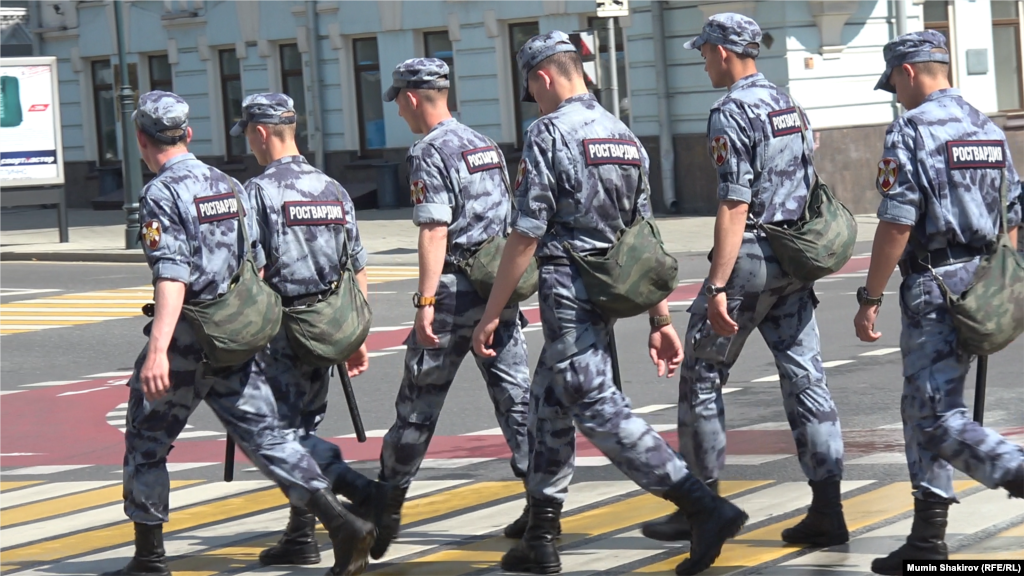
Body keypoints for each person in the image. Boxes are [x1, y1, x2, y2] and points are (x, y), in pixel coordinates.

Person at [470, 31, 747, 576]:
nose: (535, 98)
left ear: (543, 77)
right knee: (549, 406)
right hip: (610, 288)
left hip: (569, 289)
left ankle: (702, 505)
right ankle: (541, 535)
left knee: (595, 405)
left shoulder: (548, 133)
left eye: (532, 87)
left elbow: (525, 235)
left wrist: (491, 312)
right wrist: (659, 316)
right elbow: (640, 237)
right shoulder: (624, 135)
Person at [103, 91, 374, 576]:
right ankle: (342, 523)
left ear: (142, 140)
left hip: (191, 335)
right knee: (269, 437)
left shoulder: (161, 193)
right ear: (187, 134)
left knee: (146, 440)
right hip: (236, 337)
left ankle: (149, 559)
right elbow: (258, 265)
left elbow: (172, 275)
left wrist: (159, 351)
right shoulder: (227, 184)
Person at [641, 13, 848, 547]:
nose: (703, 61)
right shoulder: (788, 103)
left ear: (724, 52)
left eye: (705, 52)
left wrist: (714, 286)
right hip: (794, 260)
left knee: (702, 375)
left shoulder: (730, 111)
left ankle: (701, 509)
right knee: (806, 378)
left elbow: (735, 203)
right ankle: (828, 508)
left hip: (752, 257)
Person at [854, 31, 1024, 575]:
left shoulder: (912, 128)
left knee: (932, 418)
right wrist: (996, 279)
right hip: (983, 281)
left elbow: (897, 223)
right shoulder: (988, 129)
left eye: (895, 85)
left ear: (907, 72)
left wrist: (870, 295)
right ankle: (928, 539)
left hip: (936, 286)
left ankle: (1015, 470)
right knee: (926, 410)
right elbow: (1013, 214)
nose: (896, 95)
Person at [371, 57, 533, 560]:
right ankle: (540, 504)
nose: (398, 110)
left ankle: (387, 508)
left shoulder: (428, 150)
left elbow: (434, 229)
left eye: (399, 99)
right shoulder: (484, 144)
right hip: (495, 288)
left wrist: (423, 302)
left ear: (414, 97)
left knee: (417, 405)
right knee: (517, 398)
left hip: (453, 292)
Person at [230, 93, 394, 567]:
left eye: (249, 135)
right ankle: (302, 533)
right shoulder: (333, 188)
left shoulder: (258, 191)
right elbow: (355, 267)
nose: (251, 145)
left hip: (280, 330)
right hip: (326, 326)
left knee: (276, 435)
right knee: (301, 426)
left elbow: (253, 272)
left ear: (261, 132)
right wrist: (356, 334)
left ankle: (359, 496)